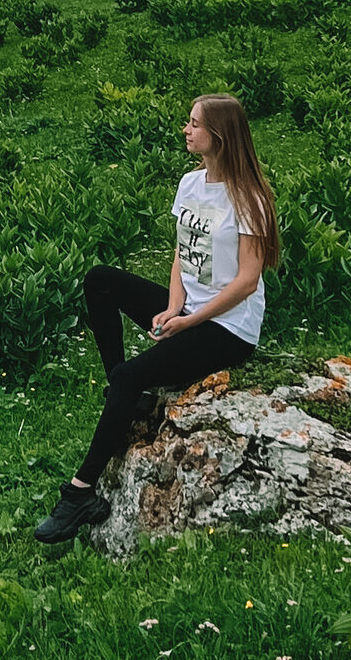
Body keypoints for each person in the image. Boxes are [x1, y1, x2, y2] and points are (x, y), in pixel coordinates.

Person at [34, 92, 279, 544]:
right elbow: (182, 253)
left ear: (219, 136)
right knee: (100, 280)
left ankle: (79, 494)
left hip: (228, 328)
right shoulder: (190, 183)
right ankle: (123, 391)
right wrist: (171, 306)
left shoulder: (250, 198)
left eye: (193, 124)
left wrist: (190, 321)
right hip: (188, 308)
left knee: (133, 375)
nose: (186, 130)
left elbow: (247, 281)